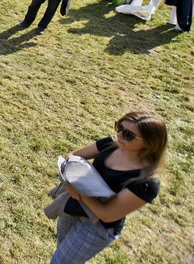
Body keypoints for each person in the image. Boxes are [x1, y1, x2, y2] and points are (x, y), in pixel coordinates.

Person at [52, 112, 167, 264]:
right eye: (119, 127)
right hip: (74, 206)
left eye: (128, 135)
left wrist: (78, 191)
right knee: (62, 250)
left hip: (97, 227)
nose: (119, 135)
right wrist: (70, 184)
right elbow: (72, 157)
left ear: (149, 143)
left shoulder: (146, 183)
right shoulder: (110, 144)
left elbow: (107, 214)